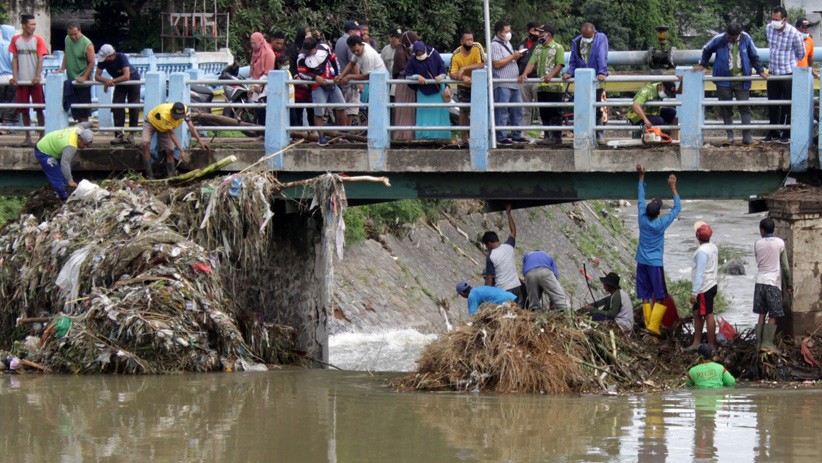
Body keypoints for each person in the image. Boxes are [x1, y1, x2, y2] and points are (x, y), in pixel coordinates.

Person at [693, 23, 766, 146]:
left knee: (744, 108)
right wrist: (703, 64)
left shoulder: (746, 38)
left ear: (739, 34)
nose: (731, 39)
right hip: (723, 80)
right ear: (726, 33)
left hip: (742, 79)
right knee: (726, 108)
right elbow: (707, 49)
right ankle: (730, 137)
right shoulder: (719, 39)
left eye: (733, 38)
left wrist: (761, 71)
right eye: (729, 37)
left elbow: (754, 56)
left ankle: (747, 138)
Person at [635, 164, 681, 335]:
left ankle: (648, 323)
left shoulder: (641, 218)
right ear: (658, 213)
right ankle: (653, 327)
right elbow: (677, 209)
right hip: (655, 263)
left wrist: (641, 178)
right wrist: (673, 187)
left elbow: (640, 198)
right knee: (660, 295)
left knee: (645, 294)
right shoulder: (660, 224)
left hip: (641, 261)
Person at [762, 6, 805, 144]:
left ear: (784, 20)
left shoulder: (794, 33)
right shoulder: (769, 29)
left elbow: (801, 53)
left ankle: (786, 133)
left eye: (777, 19)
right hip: (773, 72)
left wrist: (790, 62)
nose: (774, 21)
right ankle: (773, 132)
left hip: (788, 73)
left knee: (787, 105)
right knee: (772, 104)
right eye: (772, 19)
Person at [518, 23, 564, 145]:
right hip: (541, 87)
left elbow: (559, 64)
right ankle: (547, 136)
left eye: (541, 33)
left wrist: (551, 76)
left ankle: (556, 137)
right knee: (544, 112)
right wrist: (524, 74)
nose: (539, 35)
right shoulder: (538, 48)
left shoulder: (558, 48)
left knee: (555, 113)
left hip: (554, 87)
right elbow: (532, 63)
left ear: (548, 35)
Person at [563, 22, 609, 143]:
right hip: (582, 79)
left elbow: (602, 56)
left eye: (589, 36)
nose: (587, 39)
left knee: (598, 107)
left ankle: (599, 134)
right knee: (581, 106)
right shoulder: (577, 42)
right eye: (585, 36)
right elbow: (573, 59)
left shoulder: (601, 38)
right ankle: (583, 135)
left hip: (597, 79)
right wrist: (570, 72)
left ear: (594, 33)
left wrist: (602, 72)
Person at [753, 218, 793, 354]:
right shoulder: (779, 243)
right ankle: (767, 344)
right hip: (773, 283)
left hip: (760, 282)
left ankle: (758, 344)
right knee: (774, 313)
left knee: (762, 312)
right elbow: (785, 268)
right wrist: (789, 285)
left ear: (761, 230)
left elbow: (758, 261)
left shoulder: (757, 243)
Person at [142, 102, 209, 179]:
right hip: (152, 122)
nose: (177, 118)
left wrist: (201, 142)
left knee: (170, 151)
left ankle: (170, 176)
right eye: (176, 117)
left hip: (164, 128)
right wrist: (181, 151)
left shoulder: (185, 110)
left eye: (179, 117)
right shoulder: (165, 115)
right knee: (146, 144)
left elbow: (191, 127)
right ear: (171, 112)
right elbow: (172, 134)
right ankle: (149, 175)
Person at [297, 37, 344, 147]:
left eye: (309, 51)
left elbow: (334, 59)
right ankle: (321, 137)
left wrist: (338, 74)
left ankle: (342, 133)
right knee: (319, 112)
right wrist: (315, 78)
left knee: (341, 107)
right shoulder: (301, 58)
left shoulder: (324, 49)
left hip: (331, 81)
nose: (307, 53)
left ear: (315, 48)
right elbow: (302, 74)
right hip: (317, 85)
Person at [9, 14, 47, 147]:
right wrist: (14, 75)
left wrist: (37, 75)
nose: (33, 27)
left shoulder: (38, 40)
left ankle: (42, 136)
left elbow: (40, 58)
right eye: (31, 24)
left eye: (34, 24)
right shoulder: (16, 40)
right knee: (24, 110)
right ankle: (27, 137)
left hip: (35, 81)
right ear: (24, 26)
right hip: (22, 80)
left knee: (39, 108)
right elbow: (14, 58)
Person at [94, 44, 141, 145]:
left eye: (106, 58)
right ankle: (119, 135)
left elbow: (127, 76)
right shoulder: (103, 62)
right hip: (119, 83)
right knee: (117, 106)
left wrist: (111, 81)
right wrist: (106, 80)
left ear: (111, 55)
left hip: (133, 81)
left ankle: (131, 134)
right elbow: (97, 76)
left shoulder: (121, 57)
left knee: (134, 107)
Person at [34, 124, 93, 200]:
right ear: (79, 139)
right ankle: (64, 199)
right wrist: (70, 181)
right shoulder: (71, 146)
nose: (85, 147)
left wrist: (91, 124)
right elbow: (65, 163)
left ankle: (65, 190)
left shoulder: (78, 129)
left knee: (65, 175)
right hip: (44, 152)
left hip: (53, 146)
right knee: (58, 177)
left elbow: (82, 124)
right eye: (84, 144)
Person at [490, 20, 526, 146]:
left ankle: (517, 135)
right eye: (506, 31)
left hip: (513, 83)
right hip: (502, 83)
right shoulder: (494, 45)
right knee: (502, 111)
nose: (509, 33)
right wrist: (513, 57)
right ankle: (501, 137)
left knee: (517, 110)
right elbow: (497, 63)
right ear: (499, 33)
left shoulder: (507, 43)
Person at [404, 41, 449, 140]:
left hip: (437, 91)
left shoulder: (434, 53)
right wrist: (417, 76)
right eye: (418, 54)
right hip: (423, 92)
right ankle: (424, 136)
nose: (420, 56)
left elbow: (442, 68)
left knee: (438, 113)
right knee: (424, 113)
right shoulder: (413, 60)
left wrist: (440, 76)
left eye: (421, 53)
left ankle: (441, 136)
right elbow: (407, 75)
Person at [449, 31, 486, 146]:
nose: (470, 42)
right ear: (462, 42)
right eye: (467, 40)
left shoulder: (477, 47)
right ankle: (464, 139)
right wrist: (463, 77)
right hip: (463, 86)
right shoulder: (456, 54)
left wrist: (464, 68)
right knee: (464, 112)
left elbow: (481, 64)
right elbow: (452, 73)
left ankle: (479, 137)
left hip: (478, 85)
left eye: (471, 39)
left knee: (479, 110)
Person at [687, 222, 719, 353]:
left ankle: (711, 345)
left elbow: (700, 272)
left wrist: (695, 292)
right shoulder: (713, 247)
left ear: (697, 237)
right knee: (697, 313)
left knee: (708, 314)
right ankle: (697, 341)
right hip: (711, 284)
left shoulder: (701, 252)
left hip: (704, 287)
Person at [482, 204, 522, 304]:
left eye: (486, 246)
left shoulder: (491, 256)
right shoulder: (509, 246)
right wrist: (509, 214)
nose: (487, 248)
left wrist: (485, 294)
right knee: (518, 314)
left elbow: (489, 279)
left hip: (503, 290)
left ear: (489, 243)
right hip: (517, 287)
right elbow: (513, 231)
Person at [57, 22, 95, 123]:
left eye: (75, 34)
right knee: (75, 112)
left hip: (83, 83)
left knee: (84, 112)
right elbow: (67, 54)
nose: (73, 37)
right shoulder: (67, 39)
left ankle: (83, 134)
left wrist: (84, 77)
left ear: (80, 30)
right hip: (71, 81)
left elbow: (91, 63)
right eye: (70, 34)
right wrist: (62, 68)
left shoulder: (87, 44)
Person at [334, 20, 363, 128]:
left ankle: (342, 133)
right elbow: (354, 64)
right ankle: (347, 133)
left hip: (342, 78)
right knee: (350, 108)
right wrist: (359, 82)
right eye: (357, 30)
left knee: (342, 107)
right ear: (351, 31)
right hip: (350, 80)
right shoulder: (350, 43)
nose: (359, 32)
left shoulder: (339, 41)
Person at [392, 31, 419, 141]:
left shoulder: (406, 51)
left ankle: (409, 134)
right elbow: (404, 70)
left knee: (409, 110)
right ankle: (403, 136)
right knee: (405, 110)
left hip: (409, 83)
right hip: (404, 84)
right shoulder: (400, 53)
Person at [287, 26, 315, 130]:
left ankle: (313, 132)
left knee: (312, 110)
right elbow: (291, 65)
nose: (310, 34)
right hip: (299, 84)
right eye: (307, 32)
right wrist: (296, 77)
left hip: (311, 82)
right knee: (298, 109)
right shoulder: (294, 49)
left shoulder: (313, 47)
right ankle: (298, 132)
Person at [517, 21, 542, 128]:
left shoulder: (541, 44)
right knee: (525, 109)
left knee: (540, 107)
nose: (536, 33)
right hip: (523, 79)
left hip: (537, 78)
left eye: (538, 30)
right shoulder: (521, 44)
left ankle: (543, 131)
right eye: (534, 30)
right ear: (528, 31)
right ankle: (524, 132)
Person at [249, 32, 276, 126]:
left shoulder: (268, 53)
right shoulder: (255, 53)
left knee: (262, 108)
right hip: (256, 83)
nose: (253, 45)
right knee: (257, 109)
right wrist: (252, 85)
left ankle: (266, 130)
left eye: (254, 43)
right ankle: (261, 130)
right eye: (251, 43)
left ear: (260, 41)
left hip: (265, 85)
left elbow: (268, 72)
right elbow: (252, 69)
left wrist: (258, 84)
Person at [0, 24, 19, 134]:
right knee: (11, 101)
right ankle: (4, 125)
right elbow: (14, 62)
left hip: (0, 77)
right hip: (11, 77)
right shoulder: (11, 47)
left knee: (1, 100)